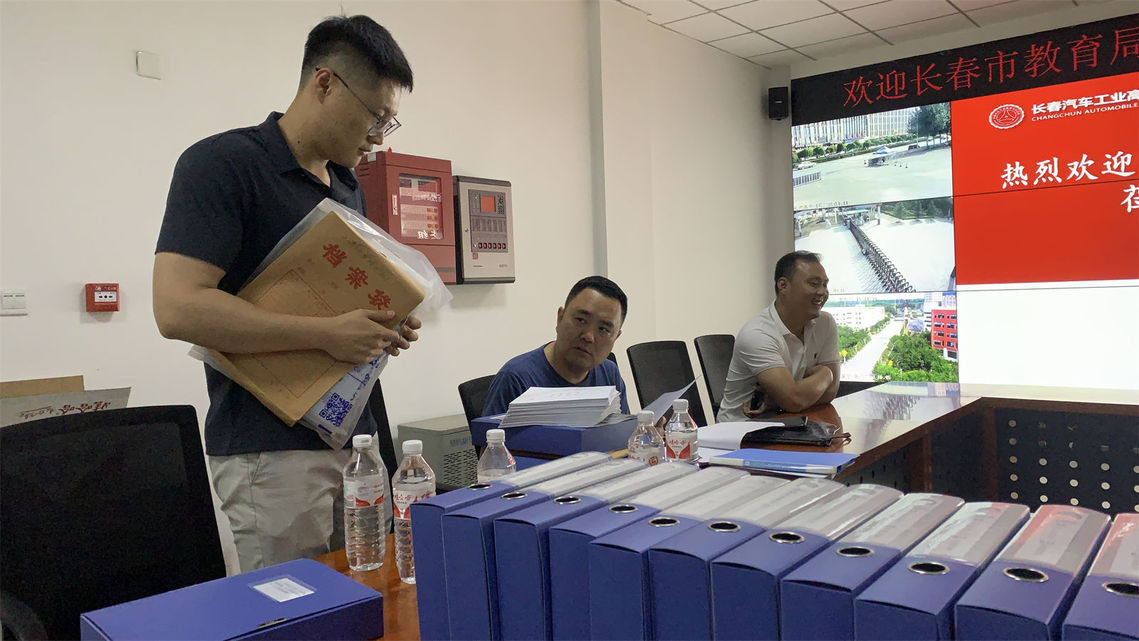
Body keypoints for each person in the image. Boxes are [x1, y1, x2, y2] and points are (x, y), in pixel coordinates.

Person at [152, 15, 421, 572]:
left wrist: (380, 326)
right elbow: (177, 308)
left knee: (367, 596)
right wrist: (327, 334)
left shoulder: (346, 186)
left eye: (389, 122)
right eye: (375, 116)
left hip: (354, 439)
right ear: (325, 83)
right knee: (291, 609)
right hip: (269, 449)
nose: (379, 135)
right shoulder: (225, 164)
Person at [717, 251, 840, 422]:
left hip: (790, 422)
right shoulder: (758, 333)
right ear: (783, 286)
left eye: (825, 285)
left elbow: (830, 391)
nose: (822, 292)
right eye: (814, 284)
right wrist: (826, 374)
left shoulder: (825, 323)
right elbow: (794, 399)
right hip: (742, 430)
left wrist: (783, 400)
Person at [483, 276, 631, 416]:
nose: (588, 336)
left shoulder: (609, 374)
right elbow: (491, 435)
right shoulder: (516, 379)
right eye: (581, 320)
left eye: (603, 329)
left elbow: (625, 433)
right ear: (560, 318)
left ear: (616, 337)